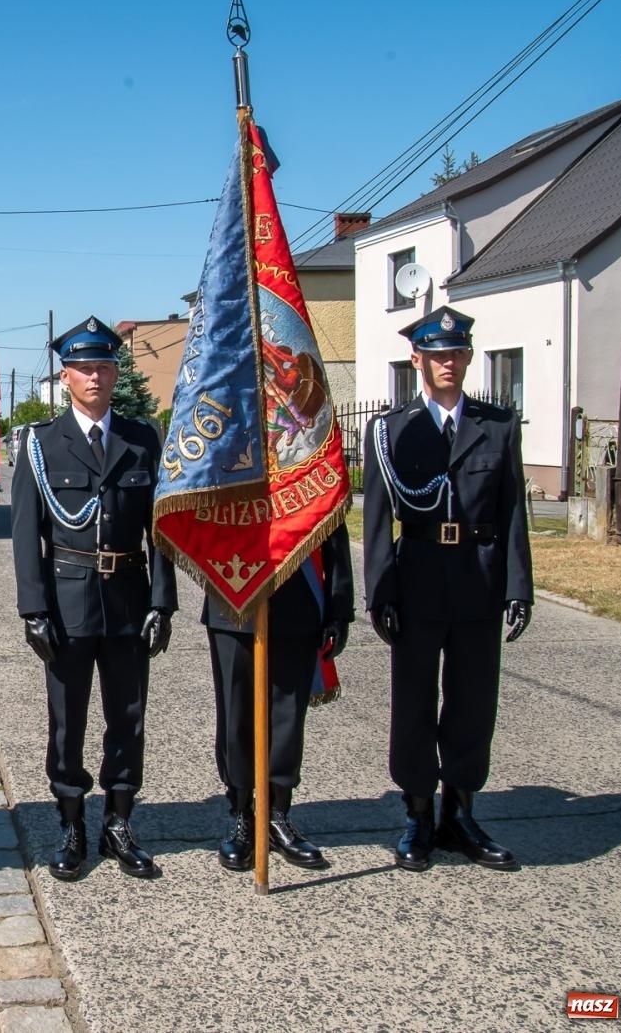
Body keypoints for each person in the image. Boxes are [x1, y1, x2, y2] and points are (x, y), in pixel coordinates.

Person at [363, 305, 532, 873]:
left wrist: (518, 585)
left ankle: (460, 810)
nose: (447, 364)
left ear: (467, 357)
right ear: (418, 361)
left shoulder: (498, 425)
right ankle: (417, 812)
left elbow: (513, 511)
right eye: (436, 356)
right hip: (417, 578)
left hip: (479, 578)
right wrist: (379, 591)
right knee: (412, 702)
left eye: (456, 354)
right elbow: (379, 518)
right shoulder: (391, 430)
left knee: (473, 701)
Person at [11, 316, 176, 881]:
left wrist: (163, 602)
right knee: (68, 719)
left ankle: (120, 820)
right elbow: (26, 534)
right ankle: (72, 821)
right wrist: (33, 610)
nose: (96, 377)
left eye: (105, 366)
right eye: (84, 368)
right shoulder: (40, 444)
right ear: (66, 377)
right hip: (67, 602)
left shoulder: (142, 438)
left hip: (129, 597)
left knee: (128, 716)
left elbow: (163, 529)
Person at [202, 525, 352, 872]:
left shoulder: (304, 464)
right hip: (232, 588)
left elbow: (331, 515)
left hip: (296, 592)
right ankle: (241, 813)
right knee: (236, 715)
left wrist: (338, 606)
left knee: (287, 716)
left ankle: (277, 813)